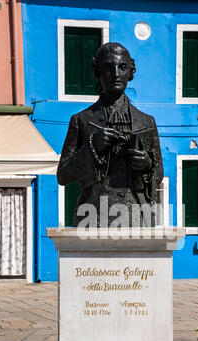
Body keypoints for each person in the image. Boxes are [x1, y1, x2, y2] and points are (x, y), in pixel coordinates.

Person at [57, 42, 163, 227]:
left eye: (122, 67)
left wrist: (147, 164)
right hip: (94, 216)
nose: (116, 73)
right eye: (108, 67)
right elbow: (63, 175)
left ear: (130, 72)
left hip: (138, 216)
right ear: (97, 71)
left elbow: (159, 173)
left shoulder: (146, 121)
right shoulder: (81, 120)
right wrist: (92, 148)